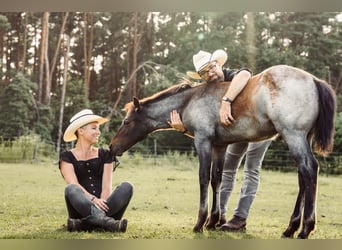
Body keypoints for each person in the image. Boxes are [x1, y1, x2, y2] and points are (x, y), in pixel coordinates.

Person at [169, 49, 272, 231]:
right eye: (204, 73)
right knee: (227, 170)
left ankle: (240, 218)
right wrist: (184, 129)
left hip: (258, 124)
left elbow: (246, 73)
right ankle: (220, 214)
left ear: (219, 64)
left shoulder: (232, 74)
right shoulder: (209, 90)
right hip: (235, 131)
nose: (210, 74)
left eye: (212, 68)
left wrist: (226, 101)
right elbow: (206, 133)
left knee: (252, 169)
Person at [59, 109, 134, 232]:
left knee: (127, 186)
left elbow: (106, 187)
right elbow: (73, 183)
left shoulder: (106, 154)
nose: (98, 132)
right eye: (94, 128)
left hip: (106, 207)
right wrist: (94, 200)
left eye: (98, 129)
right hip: (80, 208)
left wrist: (101, 204)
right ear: (81, 131)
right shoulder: (66, 157)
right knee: (71, 189)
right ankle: (108, 224)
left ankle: (82, 225)